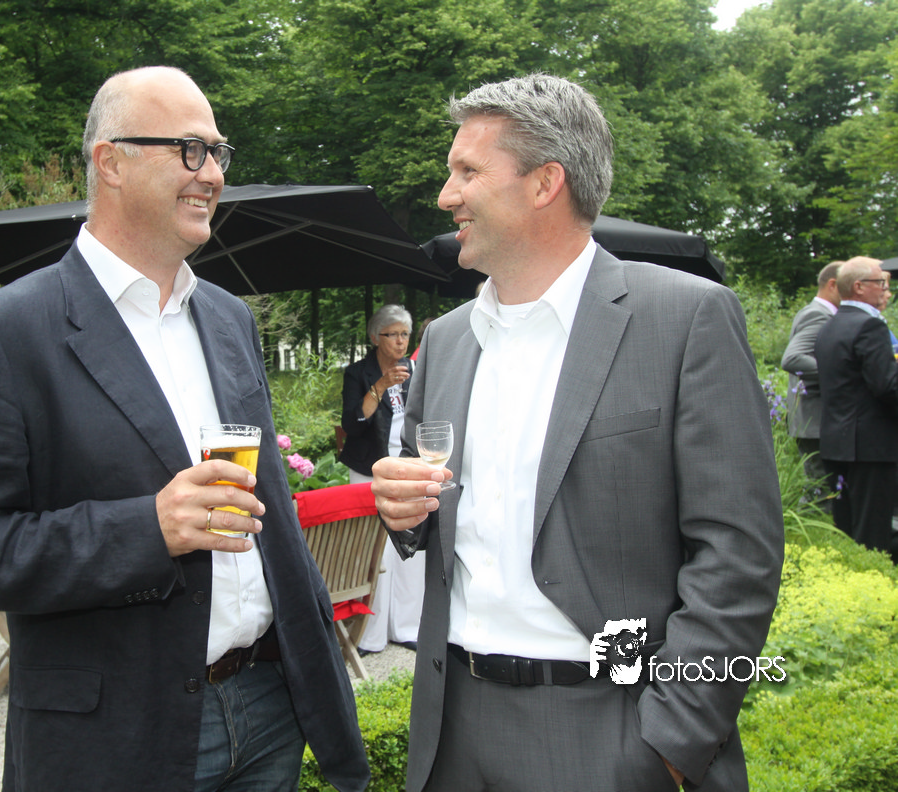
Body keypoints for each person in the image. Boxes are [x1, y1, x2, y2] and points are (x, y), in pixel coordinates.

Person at [0, 66, 369, 792]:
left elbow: (269, 508)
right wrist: (146, 529)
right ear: (111, 162)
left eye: (219, 152)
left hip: (269, 703)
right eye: (190, 150)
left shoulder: (228, 317)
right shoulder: (4, 333)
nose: (213, 174)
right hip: (122, 732)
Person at [373, 74, 784, 792]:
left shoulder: (685, 319)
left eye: (467, 171)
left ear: (545, 183)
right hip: (452, 731)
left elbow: (737, 555)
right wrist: (404, 510)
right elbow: (436, 512)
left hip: (610, 729)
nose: (445, 195)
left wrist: (670, 741)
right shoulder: (447, 340)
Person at [338, 305, 424, 654]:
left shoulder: (416, 370)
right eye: (393, 334)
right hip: (369, 469)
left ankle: (406, 627)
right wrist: (380, 386)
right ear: (376, 338)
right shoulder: (358, 373)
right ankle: (370, 635)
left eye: (405, 334)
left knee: (410, 548)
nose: (401, 342)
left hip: (408, 467)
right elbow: (352, 424)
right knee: (373, 551)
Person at [814, 256, 898, 556]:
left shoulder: (831, 325)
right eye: (881, 283)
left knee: (848, 528)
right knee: (873, 532)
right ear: (860, 287)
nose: (885, 289)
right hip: (871, 446)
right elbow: (886, 386)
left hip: (837, 442)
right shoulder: (869, 325)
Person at [780, 261, 841, 495]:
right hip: (815, 420)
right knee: (820, 490)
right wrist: (844, 371)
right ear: (832, 285)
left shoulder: (817, 312)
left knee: (823, 487)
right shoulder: (818, 315)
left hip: (815, 420)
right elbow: (793, 359)